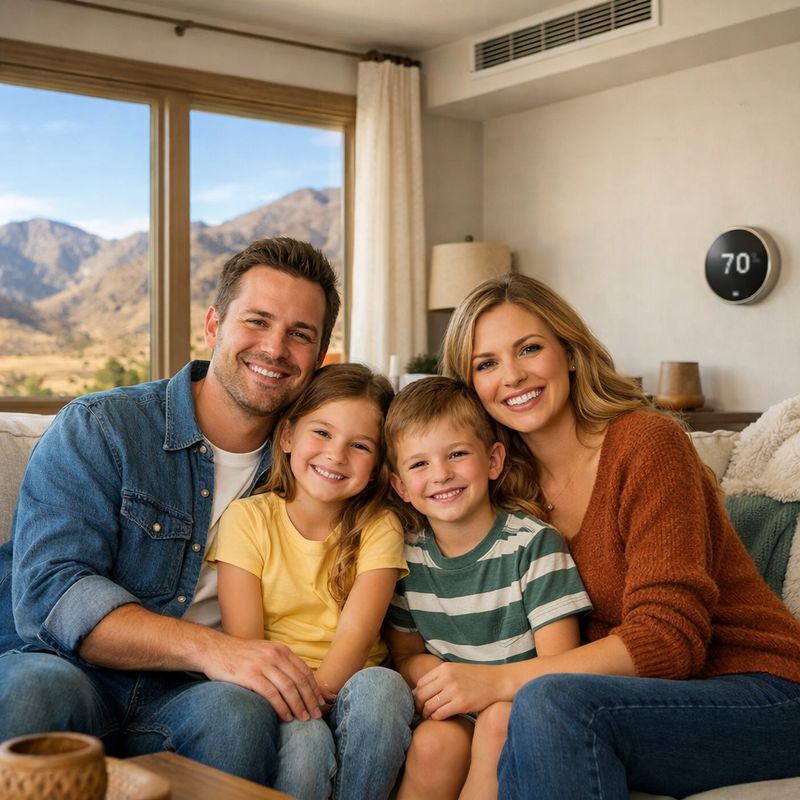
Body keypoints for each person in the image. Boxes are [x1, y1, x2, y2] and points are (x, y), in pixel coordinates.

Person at [439, 272, 800, 800]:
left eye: (529, 348)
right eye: (486, 364)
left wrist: (499, 682)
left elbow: (669, 640)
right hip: (633, 703)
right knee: (520, 717)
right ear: (470, 388)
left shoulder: (647, 444)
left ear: (570, 352)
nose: (511, 376)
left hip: (763, 692)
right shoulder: (501, 486)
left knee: (547, 704)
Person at [0, 237, 342, 786]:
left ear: (319, 356)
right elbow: (50, 594)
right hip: (62, 667)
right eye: (257, 321)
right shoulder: (102, 428)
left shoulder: (315, 466)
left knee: (238, 715)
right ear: (214, 326)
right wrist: (220, 651)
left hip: (187, 696)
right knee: (34, 692)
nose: (276, 349)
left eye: (300, 334)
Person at [209, 363, 413, 800]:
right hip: (277, 691)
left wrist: (320, 695)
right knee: (305, 741)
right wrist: (300, 704)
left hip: (355, 688)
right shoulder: (247, 520)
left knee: (385, 687)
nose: (336, 455)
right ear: (287, 436)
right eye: (321, 433)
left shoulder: (380, 526)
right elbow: (246, 641)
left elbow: (357, 635)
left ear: (378, 463)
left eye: (359, 445)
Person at [383, 376, 591, 800]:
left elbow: (561, 666)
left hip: (522, 703)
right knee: (431, 743)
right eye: (419, 464)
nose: (441, 474)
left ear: (494, 460)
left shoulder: (533, 545)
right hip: (456, 709)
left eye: (457, 454)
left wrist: (486, 686)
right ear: (400, 486)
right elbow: (404, 653)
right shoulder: (406, 558)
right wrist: (426, 672)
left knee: (496, 722)